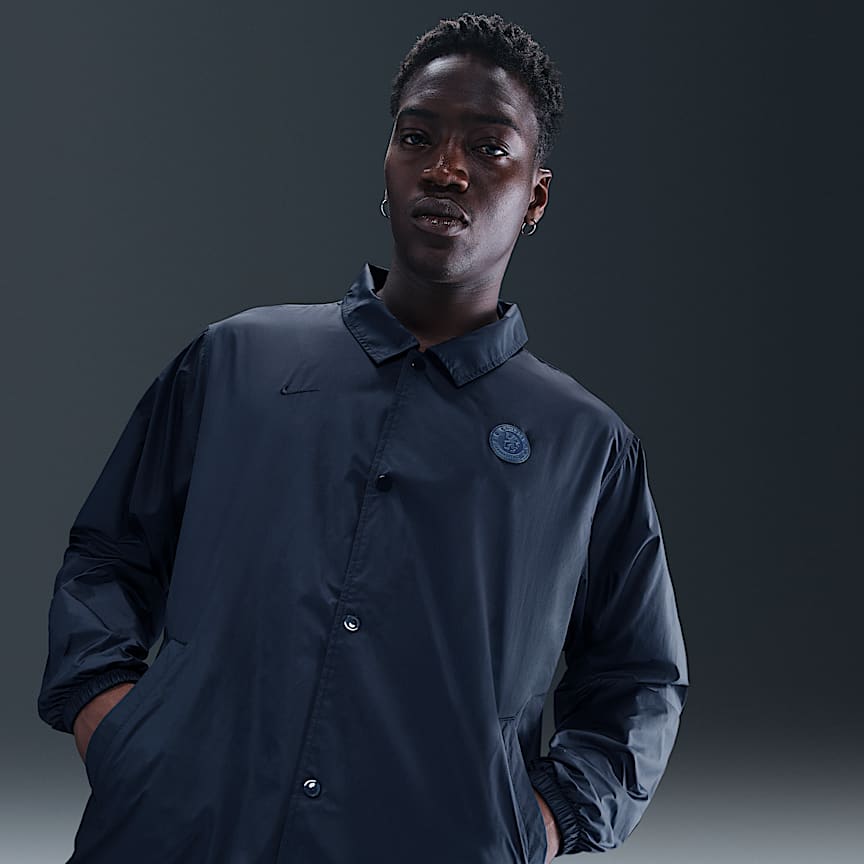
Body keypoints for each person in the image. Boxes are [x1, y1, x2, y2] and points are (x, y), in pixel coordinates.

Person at [37, 12, 688, 864]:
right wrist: (113, 723)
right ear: (387, 163)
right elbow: (107, 557)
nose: (446, 169)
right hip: (173, 837)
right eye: (418, 137)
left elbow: (638, 679)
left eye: (488, 147)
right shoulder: (234, 360)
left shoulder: (585, 445)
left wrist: (539, 821)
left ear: (535, 195)